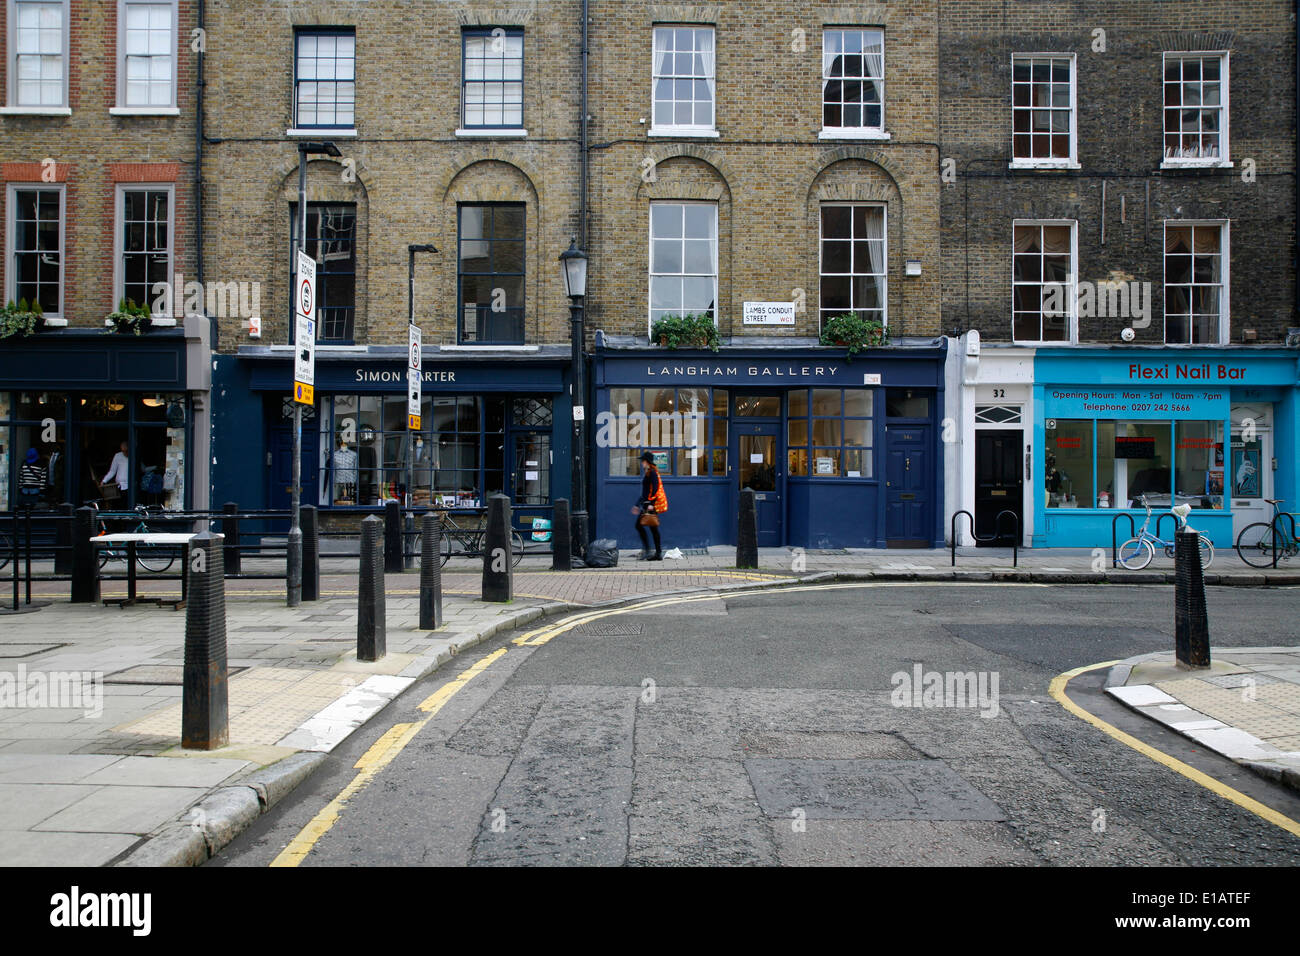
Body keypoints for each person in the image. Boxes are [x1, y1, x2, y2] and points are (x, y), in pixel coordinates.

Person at [633, 451, 666, 561]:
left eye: (642, 461)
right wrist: (637, 505)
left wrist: (651, 504)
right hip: (647, 504)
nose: (641, 463)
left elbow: (656, 488)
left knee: (643, 526)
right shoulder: (648, 472)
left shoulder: (652, 473)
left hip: (650, 505)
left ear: (646, 462)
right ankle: (655, 552)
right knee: (652, 528)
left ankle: (650, 551)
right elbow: (645, 492)